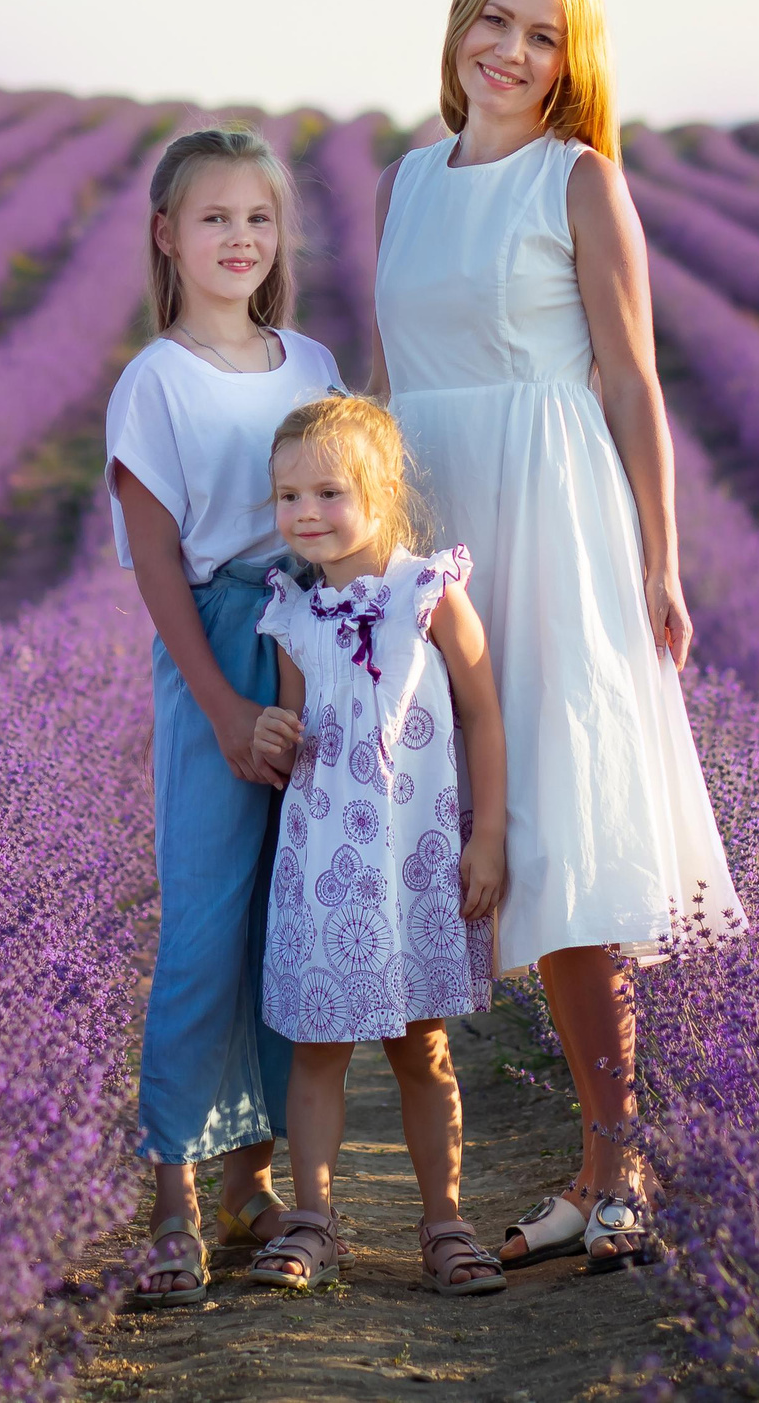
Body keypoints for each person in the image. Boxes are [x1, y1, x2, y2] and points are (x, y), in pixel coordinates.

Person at [367, 0, 747, 1272]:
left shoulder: (580, 179)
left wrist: (662, 555)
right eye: (496, 19)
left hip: (559, 517)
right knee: (445, 828)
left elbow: (633, 381)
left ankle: (612, 1161)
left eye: (543, 34)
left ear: (572, 62)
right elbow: (395, 376)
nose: (512, 51)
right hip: (438, 520)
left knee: (567, 828)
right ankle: (418, 1175)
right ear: (461, 24)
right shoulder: (404, 184)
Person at [106, 125, 346, 1307]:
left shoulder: (312, 361)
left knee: (287, 931)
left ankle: (255, 1184)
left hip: (316, 644)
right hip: (216, 649)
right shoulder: (152, 380)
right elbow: (156, 567)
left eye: (257, 217)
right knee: (203, 933)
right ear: (167, 236)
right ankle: (172, 1199)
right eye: (212, 218)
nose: (239, 238)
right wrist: (219, 709)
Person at [239, 395, 510, 1296]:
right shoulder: (292, 611)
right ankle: (313, 1221)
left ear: (382, 491)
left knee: (423, 1048)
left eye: (327, 491)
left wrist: (493, 836)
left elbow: (482, 714)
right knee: (318, 1047)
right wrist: (275, 735)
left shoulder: (430, 592)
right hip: (322, 869)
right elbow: (293, 720)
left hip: (414, 859)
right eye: (287, 497)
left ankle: (444, 1221)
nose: (304, 513)